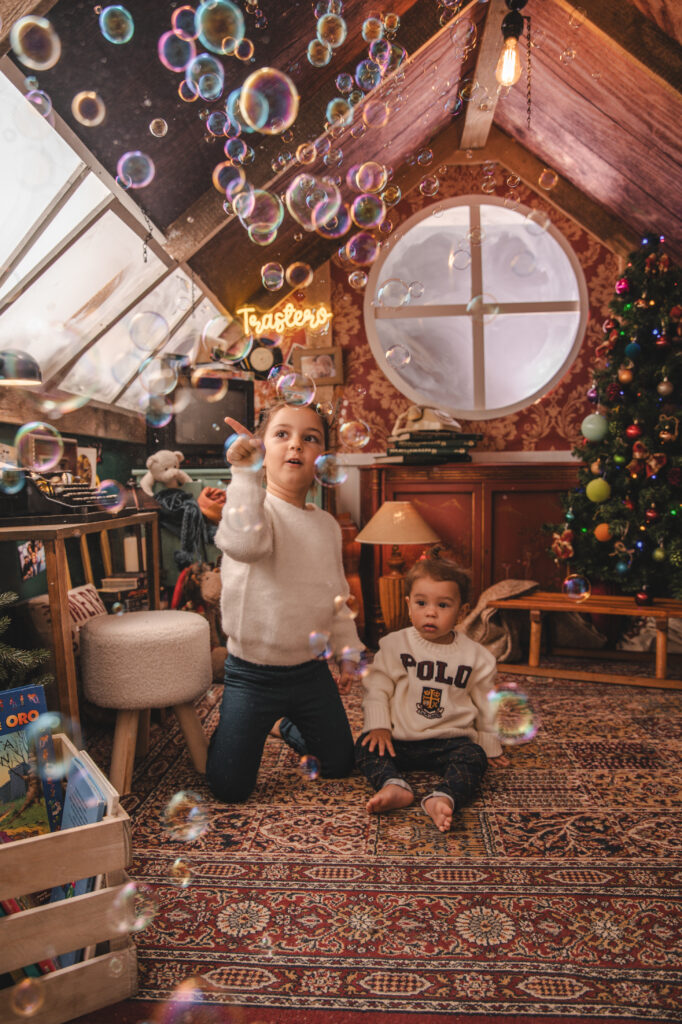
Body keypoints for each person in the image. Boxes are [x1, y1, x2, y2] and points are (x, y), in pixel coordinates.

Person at [206, 402, 361, 803]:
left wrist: (347, 650)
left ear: (321, 461)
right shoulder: (254, 510)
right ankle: (252, 724)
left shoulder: (326, 526)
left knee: (340, 764)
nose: (296, 446)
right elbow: (243, 544)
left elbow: (337, 597)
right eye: (282, 435)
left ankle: (284, 726)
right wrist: (243, 473)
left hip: (309, 672)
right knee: (229, 788)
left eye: (310, 439)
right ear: (261, 449)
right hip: (251, 674)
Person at [355, 546, 504, 832]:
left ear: (462, 612)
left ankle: (443, 797)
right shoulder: (395, 645)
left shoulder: (477, 657)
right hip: (399, 738)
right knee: (364, 746)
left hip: (450, 739)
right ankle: (393, 785)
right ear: (409, 604)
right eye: (421, 603)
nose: (431, 613)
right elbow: (377, 687)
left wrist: (489, 744)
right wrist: (378, 726)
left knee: (474, 758)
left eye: (443, 605)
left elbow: (486, 702)